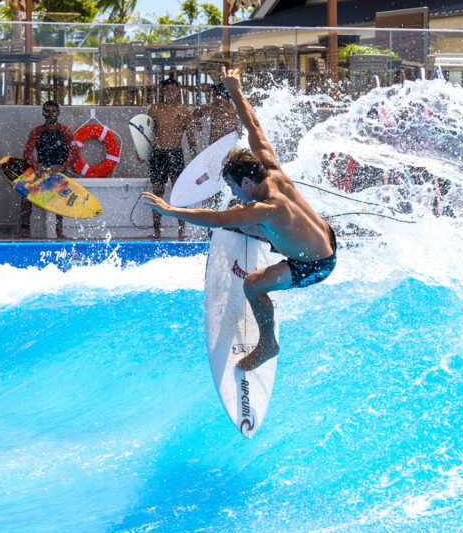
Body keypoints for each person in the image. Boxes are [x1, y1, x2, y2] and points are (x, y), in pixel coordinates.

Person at [142, 67, 337, 372]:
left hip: (315, 264)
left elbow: (216, 219)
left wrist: (171, 211)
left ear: (247, 181)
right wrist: (234, 88)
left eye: (234, 186)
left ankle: (268, 344)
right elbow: (253, 125)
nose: (233, 191)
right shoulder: (270, 168)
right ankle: (270, 237)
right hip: (322, 235)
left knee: (253, 285)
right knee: (242, 216)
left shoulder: (266, 207)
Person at [15, 100, 77, 240]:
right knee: (24, 193)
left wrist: (61, 168)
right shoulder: (37, 131)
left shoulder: (66, 132)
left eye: (53, 111)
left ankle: (59, 231)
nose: (50, 114)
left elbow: (74, 155)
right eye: (47, 111)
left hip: (59, 170)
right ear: (43, 113)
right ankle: (25, 229)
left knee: (60, 196)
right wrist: (36, 166)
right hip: (41, 169)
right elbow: (27, 153)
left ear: (58, 113)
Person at [146, 77, 197, 240]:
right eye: (166, 89)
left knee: (179, 193)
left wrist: (196, 157)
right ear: (162, 91)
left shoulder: (184, 111)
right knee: (157, 193)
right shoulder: (154, 109)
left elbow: (190, 137)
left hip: (175, 154)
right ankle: (157, 231)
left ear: (178, 91)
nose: (170, 93)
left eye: (172, 89)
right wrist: (140, 152)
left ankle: (181, 231)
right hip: (158, 155)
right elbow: (145, 134)